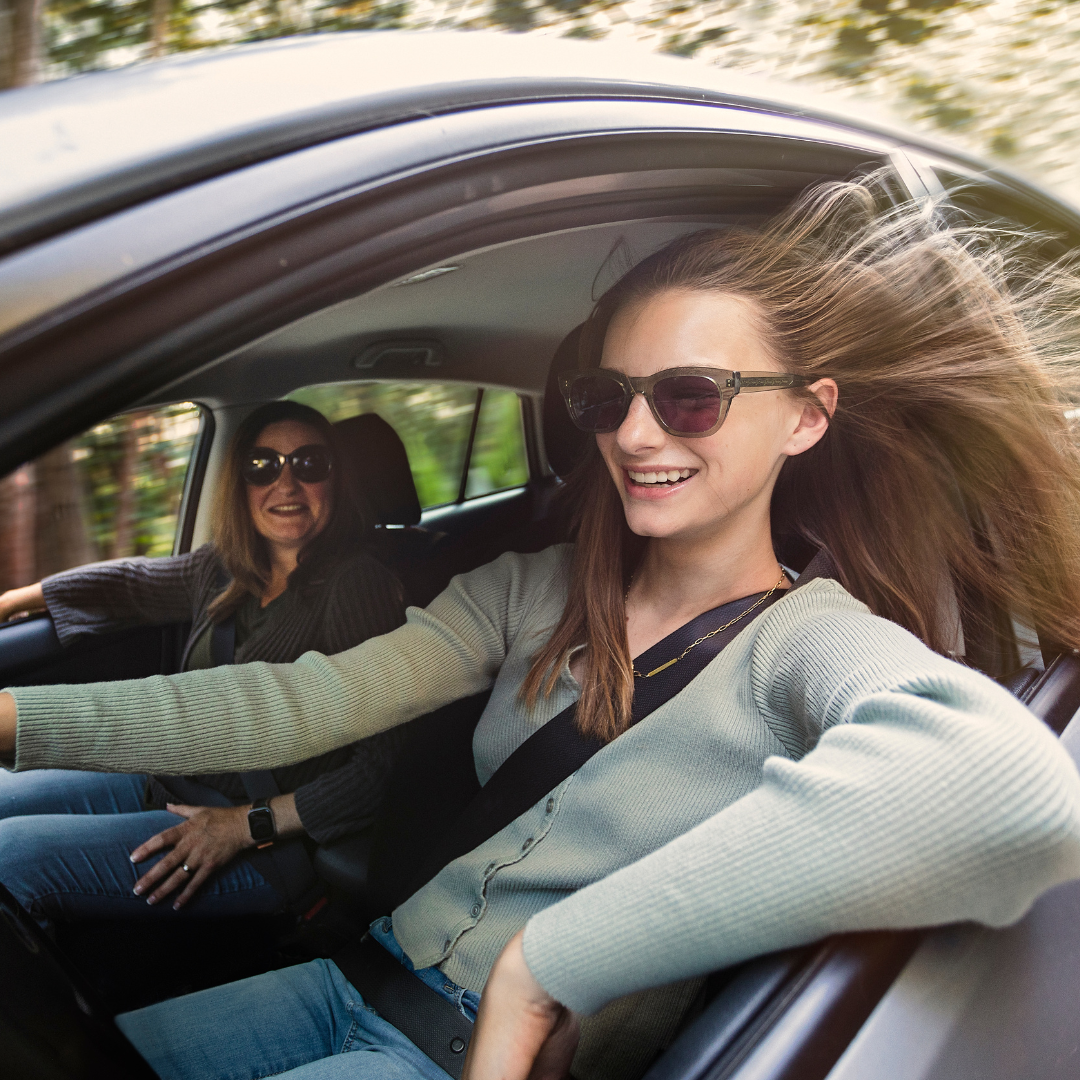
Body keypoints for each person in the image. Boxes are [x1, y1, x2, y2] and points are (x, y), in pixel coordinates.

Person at [3, 178, 1080, 1080]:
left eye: (692, 396)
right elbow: (298, 701)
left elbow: (1014, 790)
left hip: (461, 1056)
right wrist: (14, 721)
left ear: (806, 415)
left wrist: (548, 961)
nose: (637, 433)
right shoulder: (532, 585)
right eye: (611, 399)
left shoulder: (807, 643)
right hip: (352, 977)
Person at [0, 400, 407, 923]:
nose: (285, 485)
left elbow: (383, 768)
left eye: (310, 464)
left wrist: (245, 824)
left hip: (264, 842)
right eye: (263, 466)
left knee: (9, 857)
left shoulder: (357, 587)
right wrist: (12, 602)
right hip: (165, 784)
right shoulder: (222, 568)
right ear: (240, 482)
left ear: (337, 480)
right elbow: (129, 586)